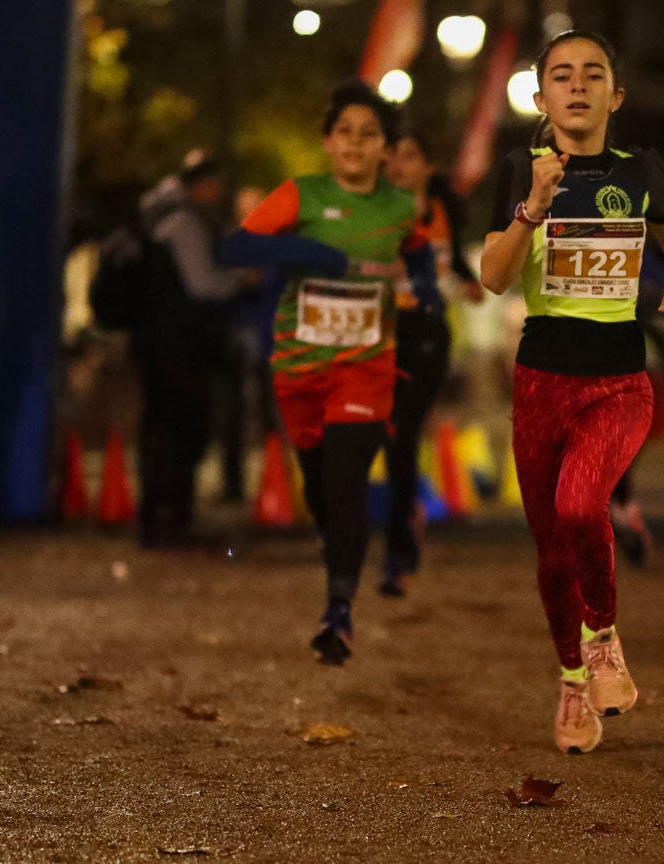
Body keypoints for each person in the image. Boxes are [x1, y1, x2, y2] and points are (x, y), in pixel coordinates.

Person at [479, 30, 664, 754]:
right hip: (542, 380)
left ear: (616, 94)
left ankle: (603, 634)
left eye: (594, 74)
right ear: (541, 97)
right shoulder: (520, 168)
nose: (578, 87)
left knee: (582, 504)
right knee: (550, 552)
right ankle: (573, 678)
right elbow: (492, 275)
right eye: (562, 76)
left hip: (618, 382)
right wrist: (532, 208)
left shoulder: (641, 171)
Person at [222, 81, 439, 664]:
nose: (356, 144)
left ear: (385, 150)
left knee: (346, 481)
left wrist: (423, 289)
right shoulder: (302, 196)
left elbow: (417, 251)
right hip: (300, 365)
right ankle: (336, 549)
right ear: (327, 141)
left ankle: (338, 610)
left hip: (367, 366)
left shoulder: (397, 206)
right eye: (345, 132)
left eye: (369, 135)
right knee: (320, 487)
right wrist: (315, 256)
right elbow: (234, 250)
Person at [378, 131, 483, 597]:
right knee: (392, 436)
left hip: (427, 334)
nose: (398, 164)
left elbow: (455, 259)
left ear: (426, 167)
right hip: (381, 333)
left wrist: (470, 281)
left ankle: (397, 549)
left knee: (403, 432)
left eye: (409, 156)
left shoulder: (443, 212)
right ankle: (405, 526)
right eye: (392, 158)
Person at [135, 150, 253, 548]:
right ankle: (170, 517)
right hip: (179, 345)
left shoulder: (160, 217)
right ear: (199, 185)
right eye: (213, 184)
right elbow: (202, 284)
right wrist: (240, 280)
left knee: (161, 429)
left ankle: (160, 516)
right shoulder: (184, 224)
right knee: (181, 429)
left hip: (157, 343)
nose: (217, 193)